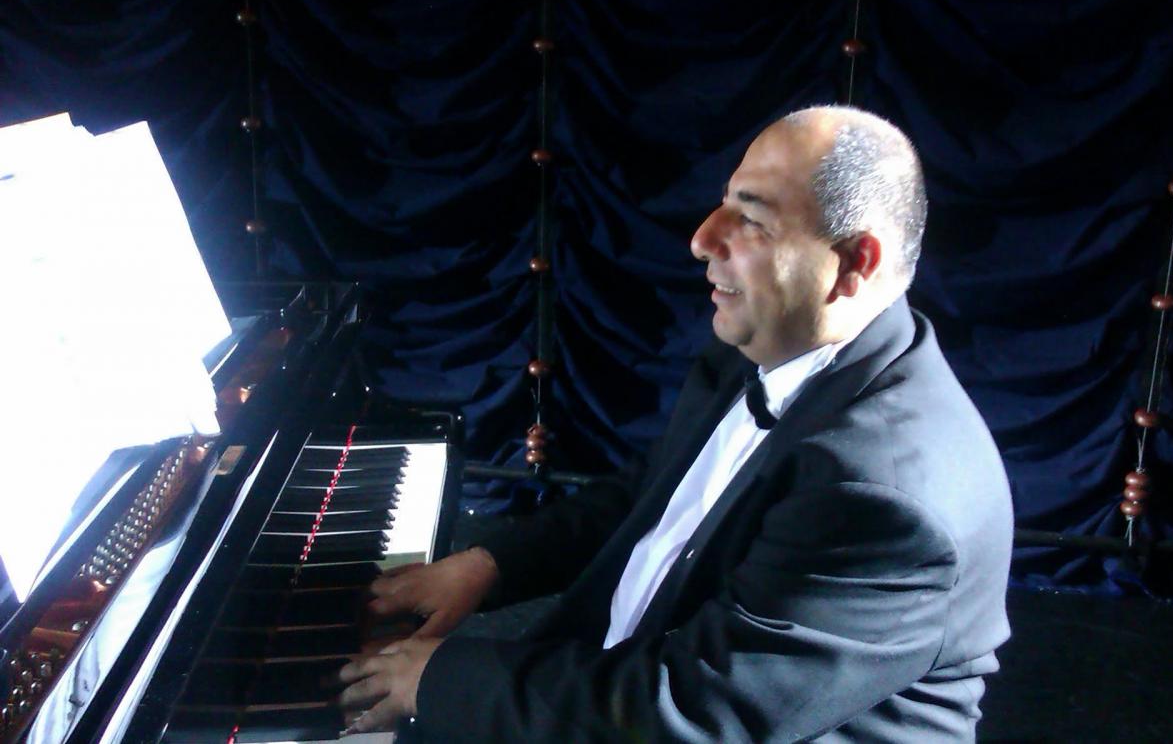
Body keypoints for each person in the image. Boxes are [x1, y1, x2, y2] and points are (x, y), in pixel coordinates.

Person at [338, 105, 1014, 742]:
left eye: (752, 219)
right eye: (724, 201)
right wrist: (489, 565)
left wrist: (438, 680)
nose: (701, 239)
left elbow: (698, 709)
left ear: (854, 264)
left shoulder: (882, 495)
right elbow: (653, 496)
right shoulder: (766, 343)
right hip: (628, 682)